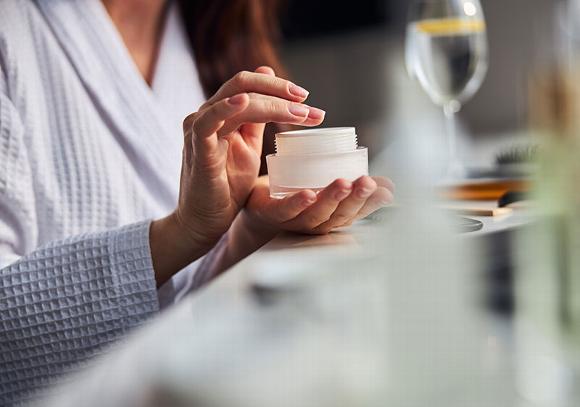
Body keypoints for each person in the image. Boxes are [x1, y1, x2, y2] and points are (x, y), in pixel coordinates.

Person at [0, 0, 394, 405]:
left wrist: (248, 227)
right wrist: (181, 233)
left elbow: (184, 299)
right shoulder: (14, 28)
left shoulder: (206, 25)